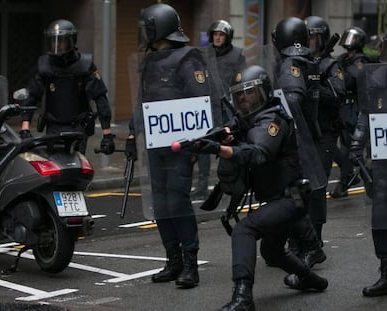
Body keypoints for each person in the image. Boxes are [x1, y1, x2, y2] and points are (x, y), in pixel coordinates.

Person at [192, 65, 328, 311]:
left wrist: (219, 149)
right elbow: (233, 129)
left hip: (290, 200)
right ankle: (313, 280)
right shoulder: (247, 120)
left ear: (264, 93)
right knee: (272, 252)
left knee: (244, 231)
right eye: (239, 94)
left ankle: (242, 297)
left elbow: (259, 153)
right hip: (277, 200)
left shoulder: (271, 120)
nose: (244, 98)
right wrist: (215, 138)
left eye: (250, 93)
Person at [125, 3, 209, 289]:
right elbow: (141, 102)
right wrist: (131, 133)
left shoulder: (189, 59)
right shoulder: (148, 61)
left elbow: (200, 102)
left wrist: (196, 141)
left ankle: (190, 263)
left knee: (178, 201)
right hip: (153, 145)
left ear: (158, 28)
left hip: (178, 146)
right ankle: (172, 259)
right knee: (159, 203)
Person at [350, 21, 387, 297]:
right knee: (381, 213)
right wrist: (358, 142)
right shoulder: (378, 75)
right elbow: (366, 111)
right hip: (385, 157)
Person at [269, 16, 326, 268]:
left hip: (293, 139)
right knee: (296, 194)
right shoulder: (308, 61)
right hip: (307, 135)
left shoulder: (290, 63)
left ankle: (307, 247)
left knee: (291, 196)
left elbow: (291, 99)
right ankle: (297, 246)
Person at [20, 19, 115, 155]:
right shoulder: (44, 65)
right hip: (53, 127)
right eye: (54, 41)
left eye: (61, 41)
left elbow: (100, 97)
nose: (57, 45)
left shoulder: (85, 65)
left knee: (76, 167)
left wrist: (107, 134)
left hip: (78, 127)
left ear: (71, 41)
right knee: (54, 168)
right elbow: (32, 96)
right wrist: (25, 128)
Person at [192, 20, 246, 200]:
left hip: (227, 107)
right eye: (215, 34)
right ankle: (202, 186)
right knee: (204, 144)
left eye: (221, 34)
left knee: (229, 145)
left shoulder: (237, 54)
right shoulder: (203, 54)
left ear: (227, 37)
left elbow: (242, 80)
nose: (217, 37)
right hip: (206, 106)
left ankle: (233, 183)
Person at [303, 15, 346, 245]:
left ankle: (315, 238)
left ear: (323, 39)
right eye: (306, 37)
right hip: (303, 131)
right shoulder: (299, 62)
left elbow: (337, 96)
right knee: (298, 185)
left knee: (317, 186)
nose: (309, 41)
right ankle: (297, 234)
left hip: (324, 132)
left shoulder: (331, 65)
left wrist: (316, 84)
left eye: (313, 37)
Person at [330, 26, 369, 198]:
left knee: (353, 149)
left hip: (354, 108)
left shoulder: (361, 60)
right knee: (344, 147)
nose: (349, 41)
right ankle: (347, 179)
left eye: (353, 38)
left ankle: (363, 181)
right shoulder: (342, 59)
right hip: (342, 108)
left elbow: (352, 80)